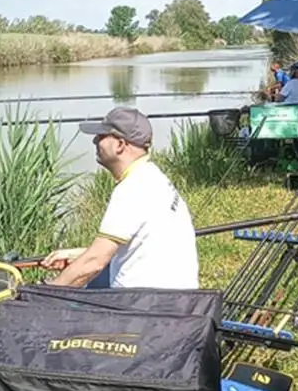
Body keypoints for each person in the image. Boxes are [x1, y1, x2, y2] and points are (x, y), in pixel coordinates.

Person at [40, 107, 199, 289]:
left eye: (101, 137)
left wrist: (48, 290)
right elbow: (135, 247)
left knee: (67, 294)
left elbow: (95, 262)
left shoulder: (132, 189)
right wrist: (77, 255)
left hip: (146, 307)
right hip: (180, 301)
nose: (94, 140)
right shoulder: (153, 176)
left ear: (120, 145)